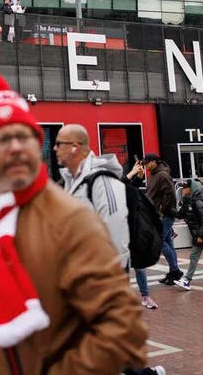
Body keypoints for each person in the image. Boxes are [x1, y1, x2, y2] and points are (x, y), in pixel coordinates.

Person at [0, 75, 147, 373]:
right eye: (1, 138)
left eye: (25, 136)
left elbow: (123, 330)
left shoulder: (70, 220)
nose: (16, 147)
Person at [57, 124, 157, 311]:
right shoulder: (71, 182)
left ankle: (143, 296)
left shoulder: (100, 179)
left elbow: (118, 192)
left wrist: (137, 177)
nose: (56, 150)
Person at [144, 153, 182, 285]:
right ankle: (174, 271)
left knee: (160, 242)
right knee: (167, 242)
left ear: (153, 162)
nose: (145, 165)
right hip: (158, 214)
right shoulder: (153, 176)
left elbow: (170, 194)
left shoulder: (162, 175)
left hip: (163, 215)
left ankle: (175, 271)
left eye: (146, 163)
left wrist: (162, 210)